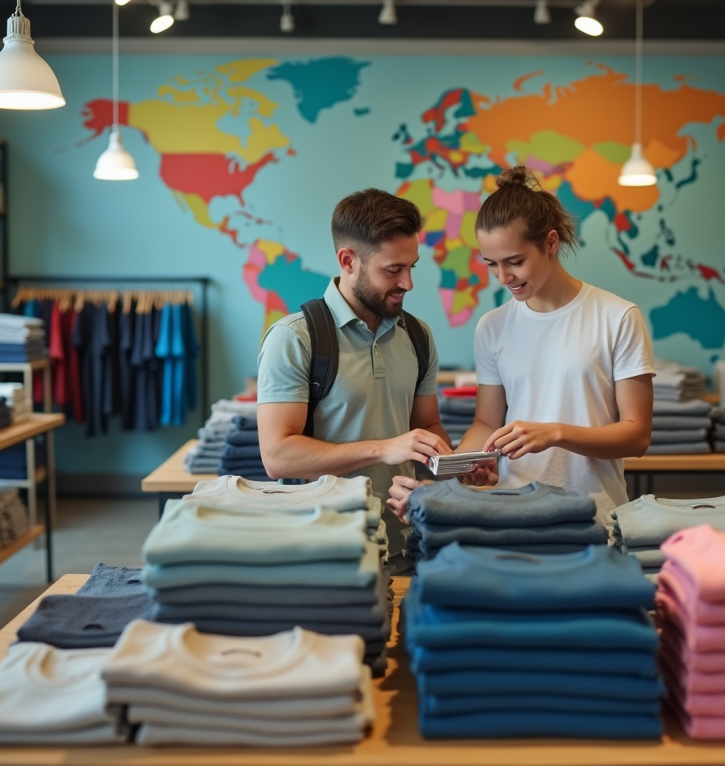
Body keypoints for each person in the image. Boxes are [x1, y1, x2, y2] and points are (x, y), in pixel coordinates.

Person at [388, 165, 654, 523]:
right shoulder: (493, 326)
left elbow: (636, 436)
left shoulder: (618, 317)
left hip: (594, 516)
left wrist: (555, 432)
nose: (503, 277)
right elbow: (486, 423)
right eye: (492, 264)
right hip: (511, 514)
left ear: (551, 243)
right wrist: (462, 465)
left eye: (515, 262)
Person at [257, 187, 452, 569]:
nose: (407, 283)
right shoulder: (294, 337)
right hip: (321, 553)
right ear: (348, 260)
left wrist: (453, 469)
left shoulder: (418, 335)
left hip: (407, 546)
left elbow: (426, 428)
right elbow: (277, 456)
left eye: (411, 267)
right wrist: (383, 448)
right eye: (393, 270)